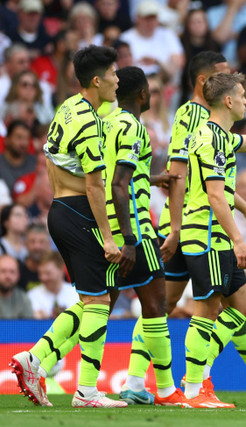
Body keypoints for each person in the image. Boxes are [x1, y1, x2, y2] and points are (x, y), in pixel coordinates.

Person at [155, 51, 246, 405]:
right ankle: (193, 389)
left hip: (197, 231)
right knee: (206, 309)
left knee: (243, 305)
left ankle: (191, 382)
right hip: (207, 236)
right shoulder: (211, 138)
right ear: (229, 100)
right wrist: (239, 240)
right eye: (244, 95)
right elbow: (216, 196)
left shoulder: (219, 136)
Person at [10, 45, 126, 408]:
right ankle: (87, 392)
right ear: (97, 79)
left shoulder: (68, 108)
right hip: (80, 212)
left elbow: (50, 160)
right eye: (113, 74)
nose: (117, 80)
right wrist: (108, 237)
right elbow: (94, 184)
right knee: (99, 302)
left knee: (92, 300)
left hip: (62, 210)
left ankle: (36, 359)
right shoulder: (89, 123)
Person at [101, 66, 186, 406]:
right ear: (140, 94)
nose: (152, 95)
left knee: (96, 306)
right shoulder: (134, 127)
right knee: (156, 306)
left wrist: (151, 178)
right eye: (149, 89)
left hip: (102, 224)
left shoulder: (106, 122)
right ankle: (165, 390)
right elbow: (120, 184)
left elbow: (112, 173)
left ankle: (38, 360)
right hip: (133, 229)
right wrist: (131, 240)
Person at [27, 250, 78, 319]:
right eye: (40, 273)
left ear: (61, 270)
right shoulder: (32, 296)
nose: (43, 278)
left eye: (48, 273)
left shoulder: (77, 294)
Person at [0, 254, 33, 318]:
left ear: (18, 275)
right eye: (3, 271)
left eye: (12, 272)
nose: (8, 276)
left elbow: (27, 327)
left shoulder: (24, 299)